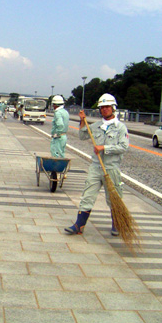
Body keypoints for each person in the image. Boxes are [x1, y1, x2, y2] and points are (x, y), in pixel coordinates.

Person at [64, 93, 129, 237]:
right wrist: (82, 121)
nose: (104, 110)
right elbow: (82, 136)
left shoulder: (120, 128)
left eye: (107, 107)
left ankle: (117, 224)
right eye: (102, 107)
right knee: (87, 196)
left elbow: (124, 147)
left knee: (113, 197)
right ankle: (79, 225)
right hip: (95, 167)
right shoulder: (96, 126)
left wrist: (104, 148)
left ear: (113, 108)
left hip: (111, 168)